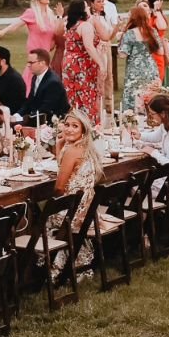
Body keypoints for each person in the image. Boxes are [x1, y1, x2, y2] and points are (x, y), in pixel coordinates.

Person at [56, 109, 103, 272]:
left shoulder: (72, 151)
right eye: (67, 125)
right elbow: (62, 169)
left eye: (75, 126)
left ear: (83, 130)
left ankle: (53, 265)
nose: (69, 129)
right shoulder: (86, 148)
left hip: (72, 213)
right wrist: (59, 145)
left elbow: (59, 187)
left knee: (36, 213)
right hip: (87, 210)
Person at [115, 0, 163, 112]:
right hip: (150, 68)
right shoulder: (152, 31)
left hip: (135, 70)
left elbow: (122, 54)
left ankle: (133, 117)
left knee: (134, 96)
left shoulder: (130, 34)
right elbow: (160, 52)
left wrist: (120, 42)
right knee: (150, 95)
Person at [61, 0, 104, 121]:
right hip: (82, 65)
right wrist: (101, 63)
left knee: (72, 95)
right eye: (86, 7)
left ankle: (74, 120)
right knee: (86, 94)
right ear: (82, 10)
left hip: (68, 63)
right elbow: (89, 47)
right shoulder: (85, 26)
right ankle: (89, 123)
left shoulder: (70, 26)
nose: (89, 8)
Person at [0, 0, 64, 60]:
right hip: (35, 50)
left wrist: (59, 15)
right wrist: (3, 31)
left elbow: (57, 31)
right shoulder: (31, 13)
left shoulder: (50, 15)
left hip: (46, 51)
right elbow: (16, 24)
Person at [22, 48, 70, 124]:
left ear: (42, 63)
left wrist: (25, 119)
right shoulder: (35, 77)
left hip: (51, 121)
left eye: (31, 63)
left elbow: (46, 109)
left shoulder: (53, 83)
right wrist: (18, 114)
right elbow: (30, 101)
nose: (28, 65)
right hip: (38, 117)